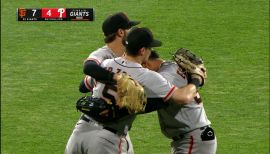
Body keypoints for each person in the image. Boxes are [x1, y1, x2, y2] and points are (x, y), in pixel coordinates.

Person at [68, 27, 205, 154]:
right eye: (150, 48)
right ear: (142, 51)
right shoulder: (147, 76)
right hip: (107, 141)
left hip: (79, 132)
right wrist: (197, 78)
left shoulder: (106, 63)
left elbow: (83, 86)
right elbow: (183, 97)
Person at [65, 12, 139, 154]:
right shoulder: (104, 54)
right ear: (121, 32)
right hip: (107, 137)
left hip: (85, 131)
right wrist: (117, 78)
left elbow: (83, 86)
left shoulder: (112, 62)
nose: (132, 32)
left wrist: (98, 79)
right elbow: (88, 67)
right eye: (129, 28)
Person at [144, 50, 217, 154]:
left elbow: (148, 103)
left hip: (193, 140)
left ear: (146, 64)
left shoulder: (165, 77)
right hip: (194, 137)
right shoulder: (172, 66)